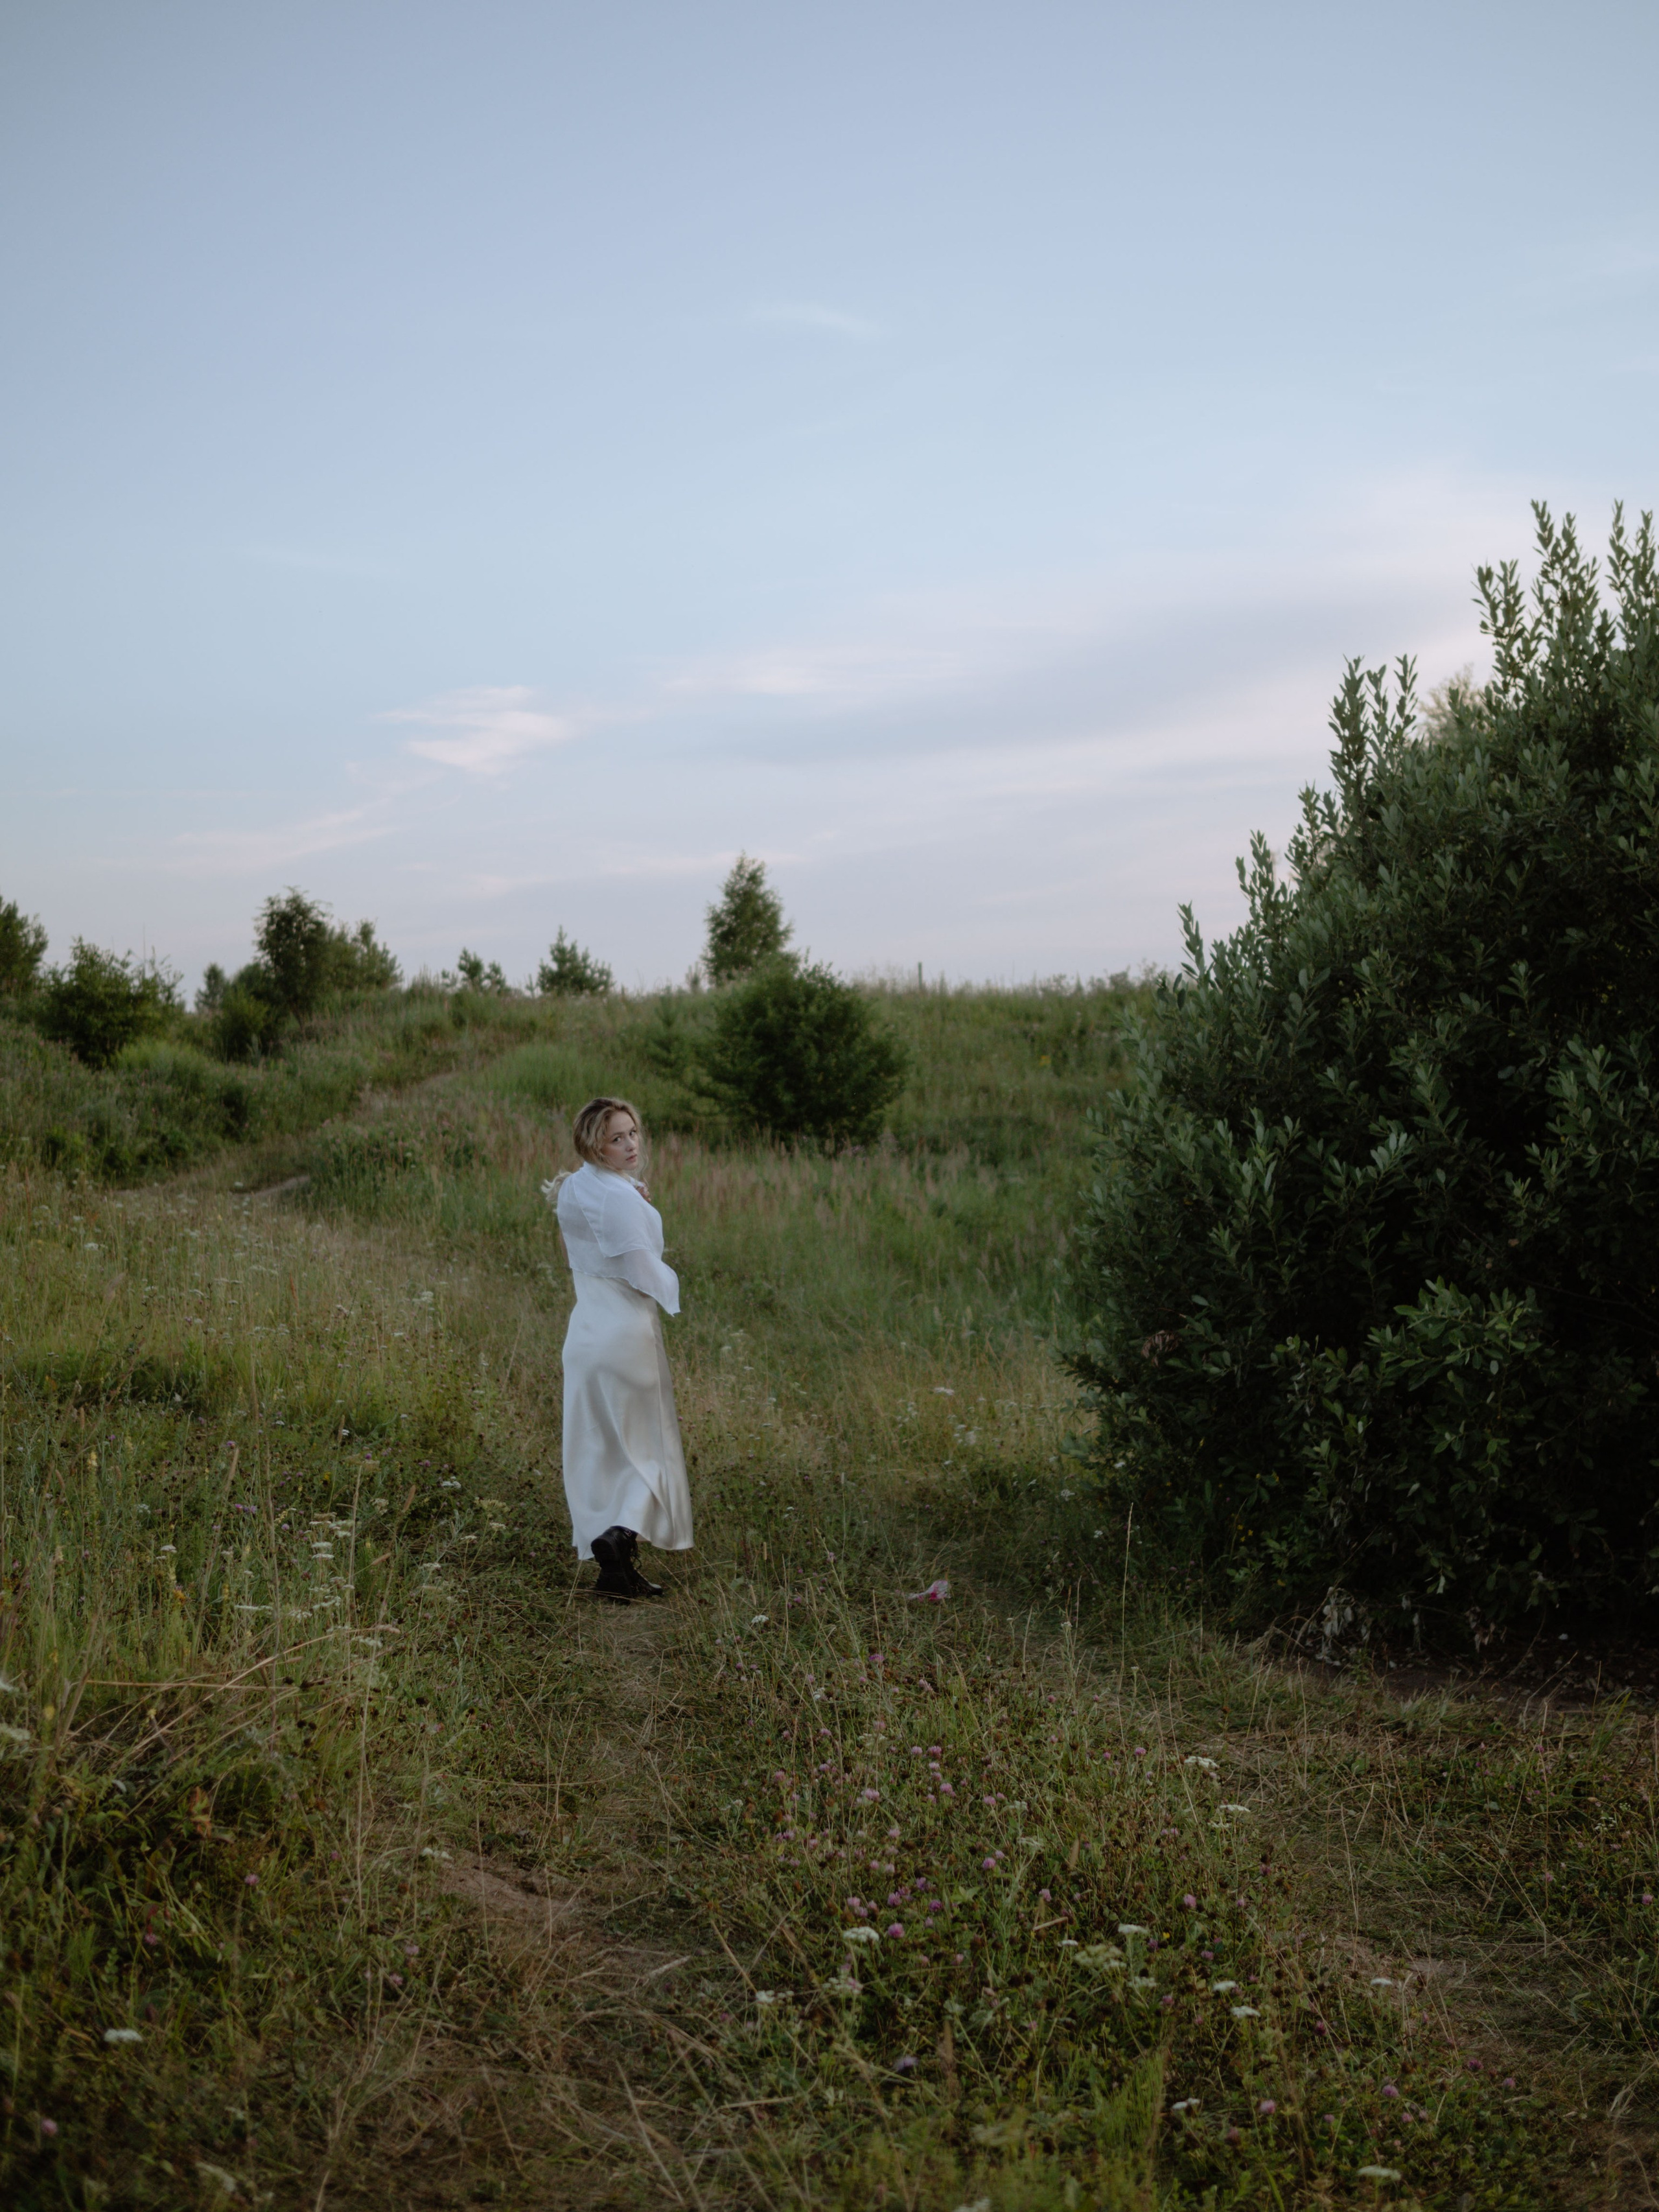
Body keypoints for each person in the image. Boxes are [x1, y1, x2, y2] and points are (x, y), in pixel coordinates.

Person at [543, 1096, 692, 1601]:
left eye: (633, 1133)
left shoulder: (572, 1187)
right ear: (595, 1145)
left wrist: (635, 1197)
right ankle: (620, 1534)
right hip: (626, 1337)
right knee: (648, 1450)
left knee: (603, 1451)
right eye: (616, 1138)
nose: (631, 1145)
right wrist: (670, 1280)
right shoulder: (622, 1199)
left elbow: (580, 1248)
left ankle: (616, 1574)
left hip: (585, 1335)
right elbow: (643, 1273)